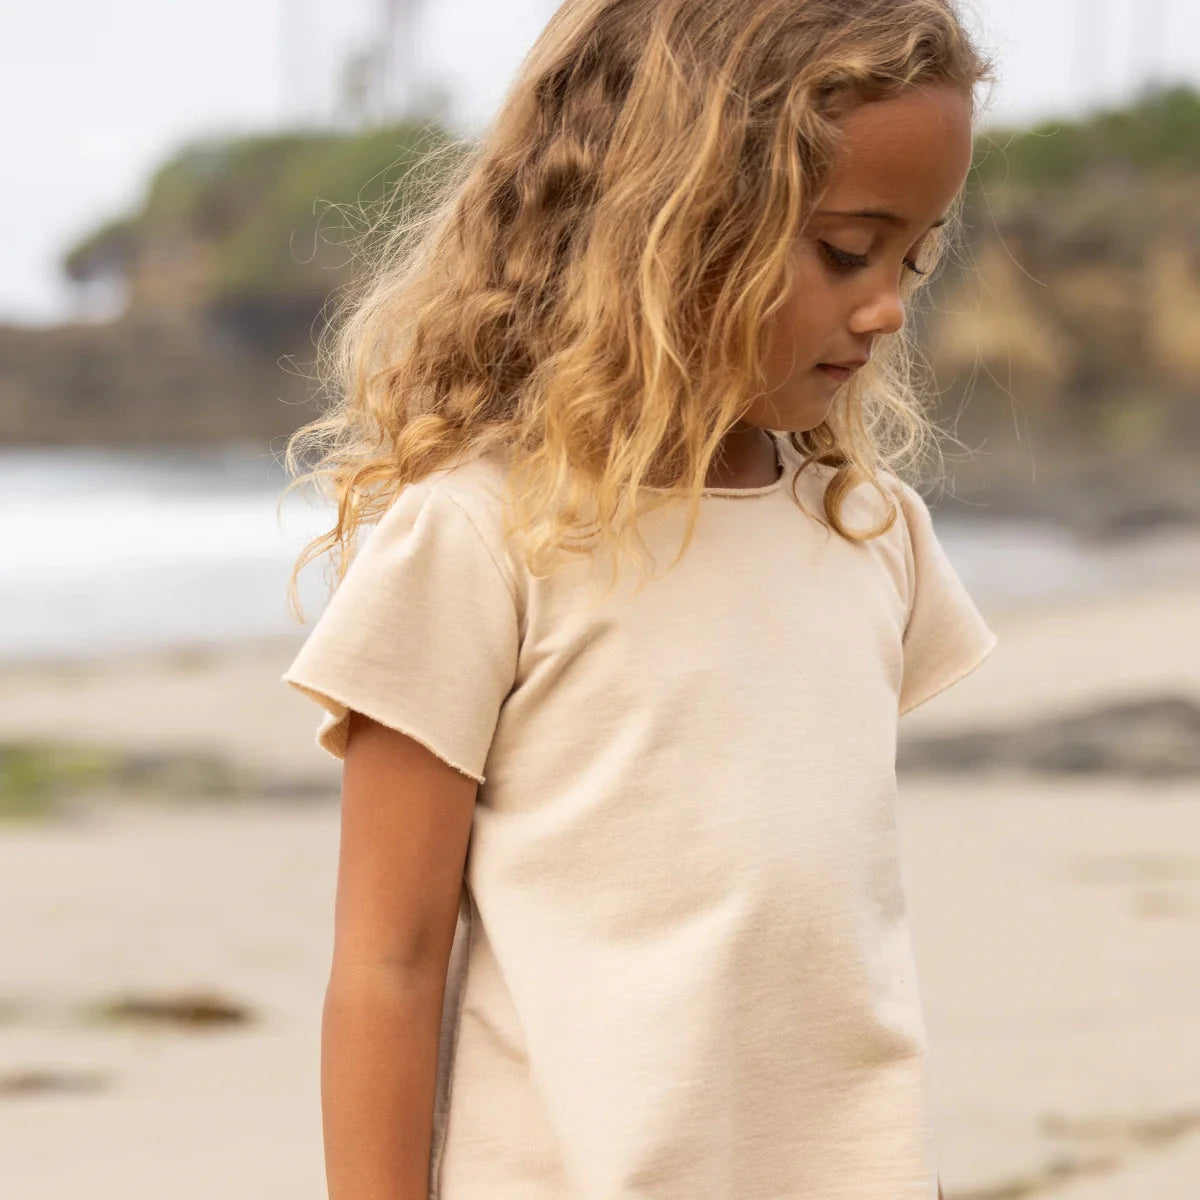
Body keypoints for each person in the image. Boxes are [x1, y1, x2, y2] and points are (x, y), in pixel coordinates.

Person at [279, 1, 999, 1197]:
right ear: (672, 222)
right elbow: (388, 965)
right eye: (844, 249)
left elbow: (808, 929)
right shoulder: (480, 536)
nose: (889, 309)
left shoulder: (872, 535)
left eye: (913, 256)